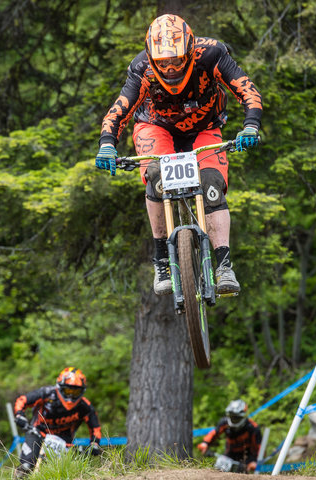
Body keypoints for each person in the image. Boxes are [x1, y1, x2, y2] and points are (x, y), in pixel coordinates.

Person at [95, 13, 262, 296]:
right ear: (151, 58)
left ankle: (223, 265)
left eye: (176, 61)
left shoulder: (211, 54)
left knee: (211, 185)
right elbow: (119, 109)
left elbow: (247, 90)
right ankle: (162, 261)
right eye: (163, 63)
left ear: (190, 52)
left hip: (205, 128)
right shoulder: (142, 68)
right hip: (155, 128)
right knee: (156, 179)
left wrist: (251, 126)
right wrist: (107, 143)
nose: (170, 69)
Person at [13, 366, 103, 473]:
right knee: (27, 465)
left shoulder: (85, 406)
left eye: (75, 393)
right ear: (60, 387)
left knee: (63, 472)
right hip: (37, 433)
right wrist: (19, 415)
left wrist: (95, 444)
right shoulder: (46, 393)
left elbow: (95, 428)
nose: (70, 396)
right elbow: (23, 400)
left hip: (64, 441)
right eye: (68, 390)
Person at [196, 399, 261, 473]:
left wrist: (254, 461)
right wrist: (205, 443)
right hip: (229, 455)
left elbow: (259, 448)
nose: (233, 419)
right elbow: (214, 433)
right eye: (232, 416)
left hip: (247, 459)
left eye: (236, 417)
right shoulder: (224, 422)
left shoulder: (252, 428)